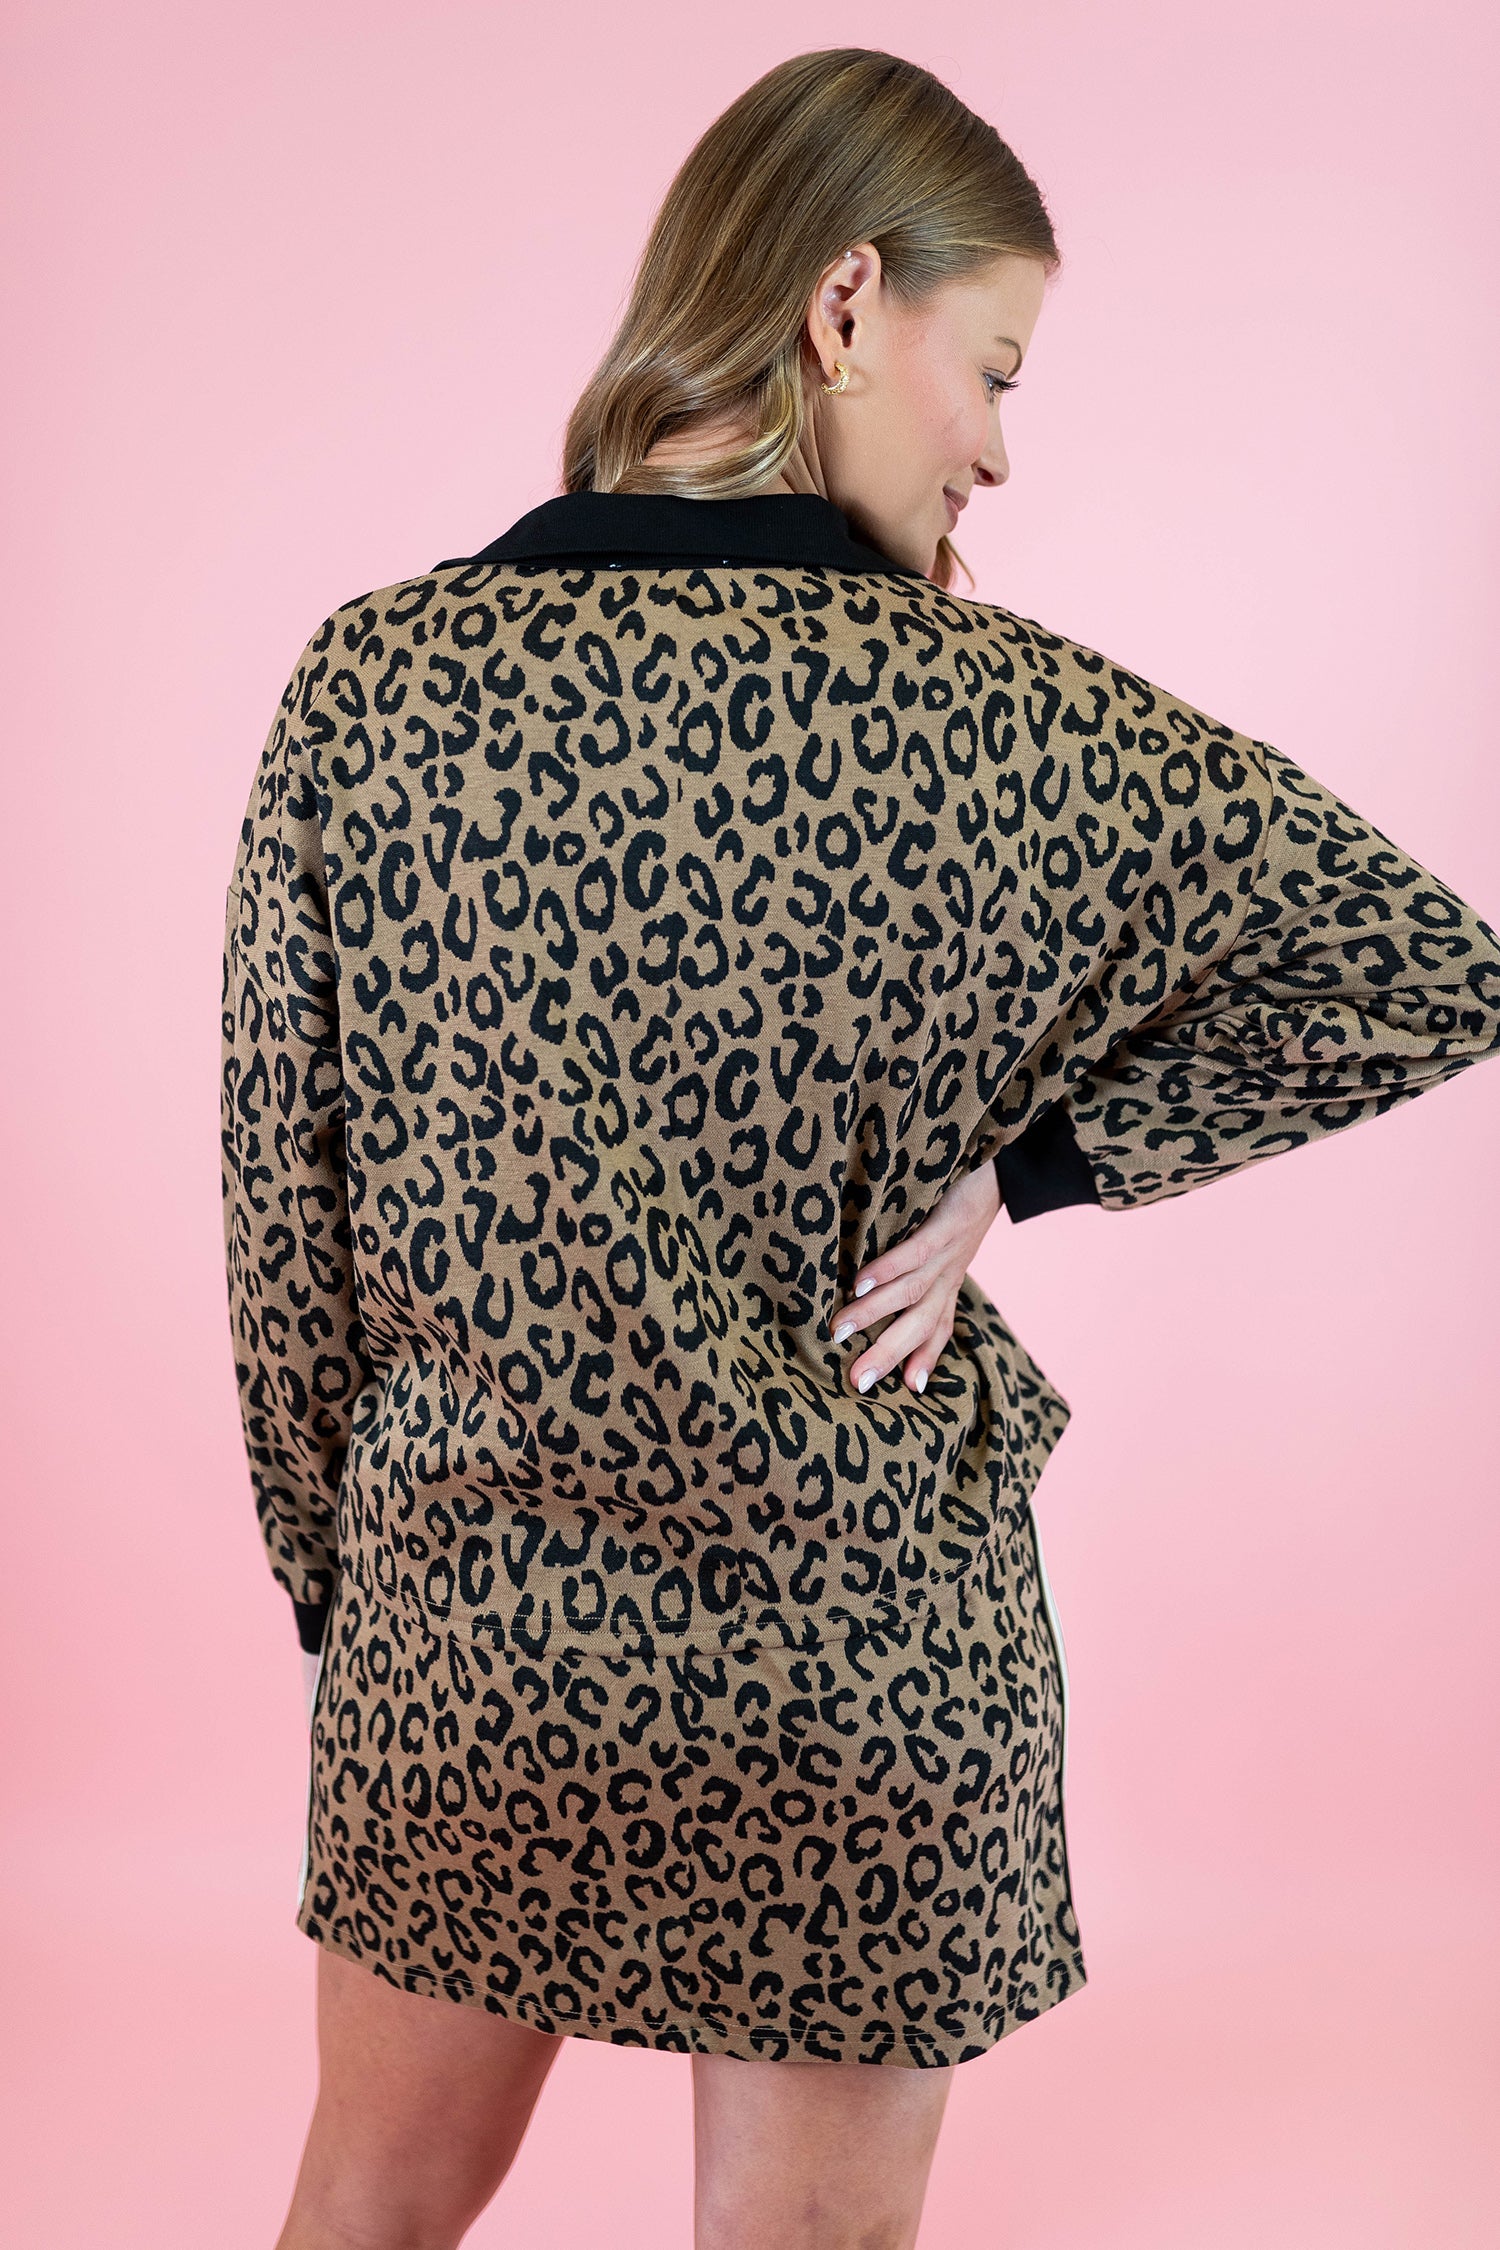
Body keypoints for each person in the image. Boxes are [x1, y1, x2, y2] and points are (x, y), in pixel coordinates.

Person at [219, 45, 1500, 2250]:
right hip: (864, 1658)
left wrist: (368, 1603)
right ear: (842, 305)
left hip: (476, 1636)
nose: (998, 447)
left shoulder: (380, 686)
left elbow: (286, 1221)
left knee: (370, 2214)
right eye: (990, 368)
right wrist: (1037, 1170)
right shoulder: (1026, 725)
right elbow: (1427, 969)